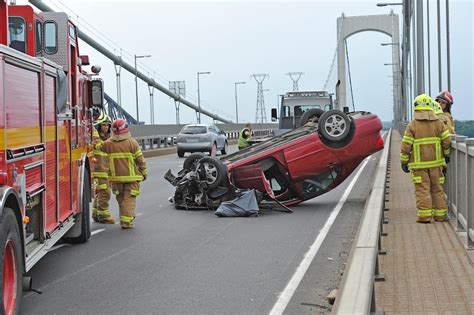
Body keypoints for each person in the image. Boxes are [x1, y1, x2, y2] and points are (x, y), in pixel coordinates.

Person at [400, 94, 451, 223]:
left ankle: (424, 216)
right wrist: (446, 154)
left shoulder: (412, 125)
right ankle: (440, 216)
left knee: (422, 190)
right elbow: (446, 140)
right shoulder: (439, 123)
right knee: (437, 189)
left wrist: (404, 162)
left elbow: (406, 145)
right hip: (436, 164)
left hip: (419, 166)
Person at [101, 118, 147, 229]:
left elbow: (102, 160)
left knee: (121, 200)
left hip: (116, 179)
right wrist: (144, 173)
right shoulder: (132, 143)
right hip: (131, 178)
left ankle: (125, 219)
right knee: (129, 200)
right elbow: (140, 160)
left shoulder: (107, 144)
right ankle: (126, 222)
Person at [92, 114, 115, 224]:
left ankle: (96, 214)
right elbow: (101, 146)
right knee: (105, 193)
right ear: (98, 126)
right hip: (99, 170)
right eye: (103, 125)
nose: (105, 127)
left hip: (105, 170)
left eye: (107, 125)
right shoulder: (96, 139)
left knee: (100, 193)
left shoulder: (108, 138)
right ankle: (103, 216)